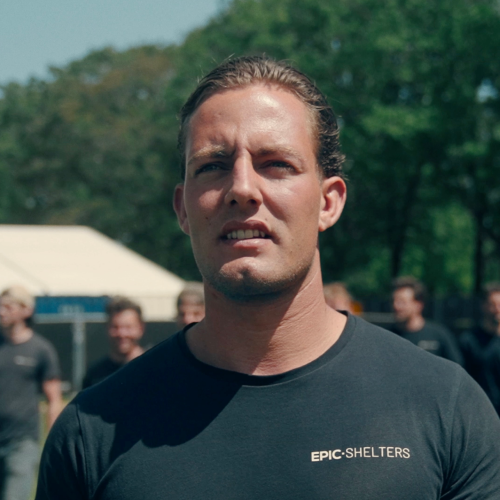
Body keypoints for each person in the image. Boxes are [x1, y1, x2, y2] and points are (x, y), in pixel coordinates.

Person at [36, 56, 500, 499]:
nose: (242, 188)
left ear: (329, 202)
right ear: (182, 209)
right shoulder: (90, 430)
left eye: (276, 163)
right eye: (213, 166)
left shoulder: (446, 405)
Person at [0, 285, 62, 500]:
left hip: (21, 441)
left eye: (8, 307)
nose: (2, 312)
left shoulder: (40, 349)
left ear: (26, 310)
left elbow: (54, 399)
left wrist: (53, 440)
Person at [390, 276, 463, 364]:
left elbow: (456, 367)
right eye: (394, 301)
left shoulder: (438, 335)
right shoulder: (389, 336)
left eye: (402, 302)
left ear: (419, 304)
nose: (396, 306)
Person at [82, 296, 145, 389]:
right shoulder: (95, 376)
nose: (122, 334)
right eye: (115, 327)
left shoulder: (153, 368)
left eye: (128, 327)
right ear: (106, 328)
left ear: (140, 328)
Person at [460, 282, 500, 407]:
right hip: (483, 408)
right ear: (483, 306)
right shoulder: (469, 340)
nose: (497, 309)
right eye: (493, 304)